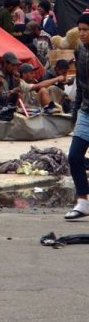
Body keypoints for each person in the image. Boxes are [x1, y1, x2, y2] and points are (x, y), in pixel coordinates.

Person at [65, 14, 89, 220]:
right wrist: (75, 114)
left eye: (86, 30)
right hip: (86, 112)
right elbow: (80, 86)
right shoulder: (80, 51)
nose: (82, 33)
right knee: (74, 156)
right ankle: (82, 201)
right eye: (80, 29)